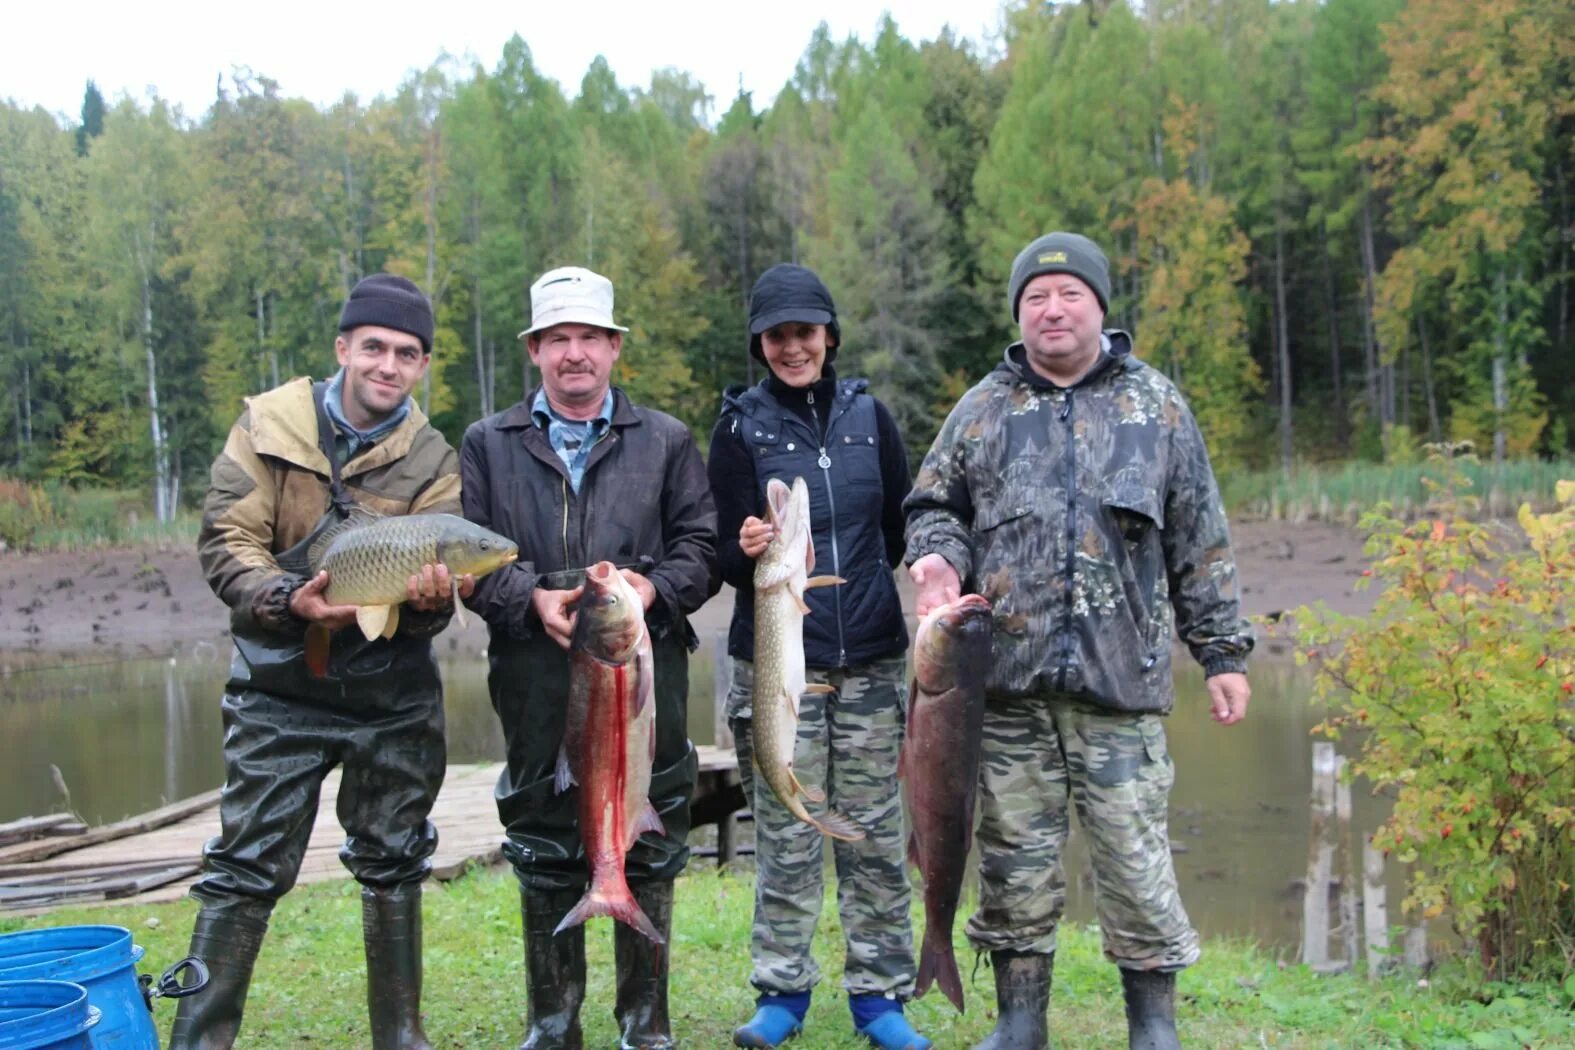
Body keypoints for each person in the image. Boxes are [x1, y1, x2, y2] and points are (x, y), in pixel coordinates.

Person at [903, 232, 1254, 1050]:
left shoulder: (1155, 407)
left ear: (1099, 306)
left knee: (1134, 865)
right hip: (1004, 690)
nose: (1051, 310)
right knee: (1012, 864)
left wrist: (1223, 656)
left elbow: (1200, 540)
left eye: (1068, 296)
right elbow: (931, 506)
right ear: (1019, 314)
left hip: (1118, 691)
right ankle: (1019, 1020)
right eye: (1034, 298)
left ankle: (1152, 1024)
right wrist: (934, 559)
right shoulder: (983, 407)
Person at [178, 274, 472, 1050]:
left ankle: (400, 1037)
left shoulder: (434, 457)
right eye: (373, 346)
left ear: (422, 366)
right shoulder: (267, 426)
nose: (388, 365)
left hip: (392, 690)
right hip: (279, 680)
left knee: (396, 860)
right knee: (244, 865)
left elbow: (433, 610)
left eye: (407, 354)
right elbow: (226, 539)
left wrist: (438, 600)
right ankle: (197, 1040)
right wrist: (285, 596)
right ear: (342, 348)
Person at [459, 266, 717, 1050]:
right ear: (535, 351)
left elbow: (702, 550)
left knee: (650, 834)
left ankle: (647, 1026)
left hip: (643, 676)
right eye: (557, 339)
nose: (574, 354)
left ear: (613, 348)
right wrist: (525, 597)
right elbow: (470, 561)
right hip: (534, 679)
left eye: (589, 338)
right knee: (541, 834)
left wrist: (653, 588)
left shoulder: (666, 440)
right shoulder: (487, 444)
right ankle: (552, 1024)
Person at [708, 264, 926, 1050]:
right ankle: (781, 993)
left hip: (868, 658)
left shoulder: (872, 418)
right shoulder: (737, 427)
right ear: (759, 344)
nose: (792, 347)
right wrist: (743, 546)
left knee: (871, 833)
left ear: (829, 336)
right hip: (773, 661)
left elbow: (901, 531)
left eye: (805, 332)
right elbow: (721, 558)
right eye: (777, 335)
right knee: (786, 833)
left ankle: (880, 999)